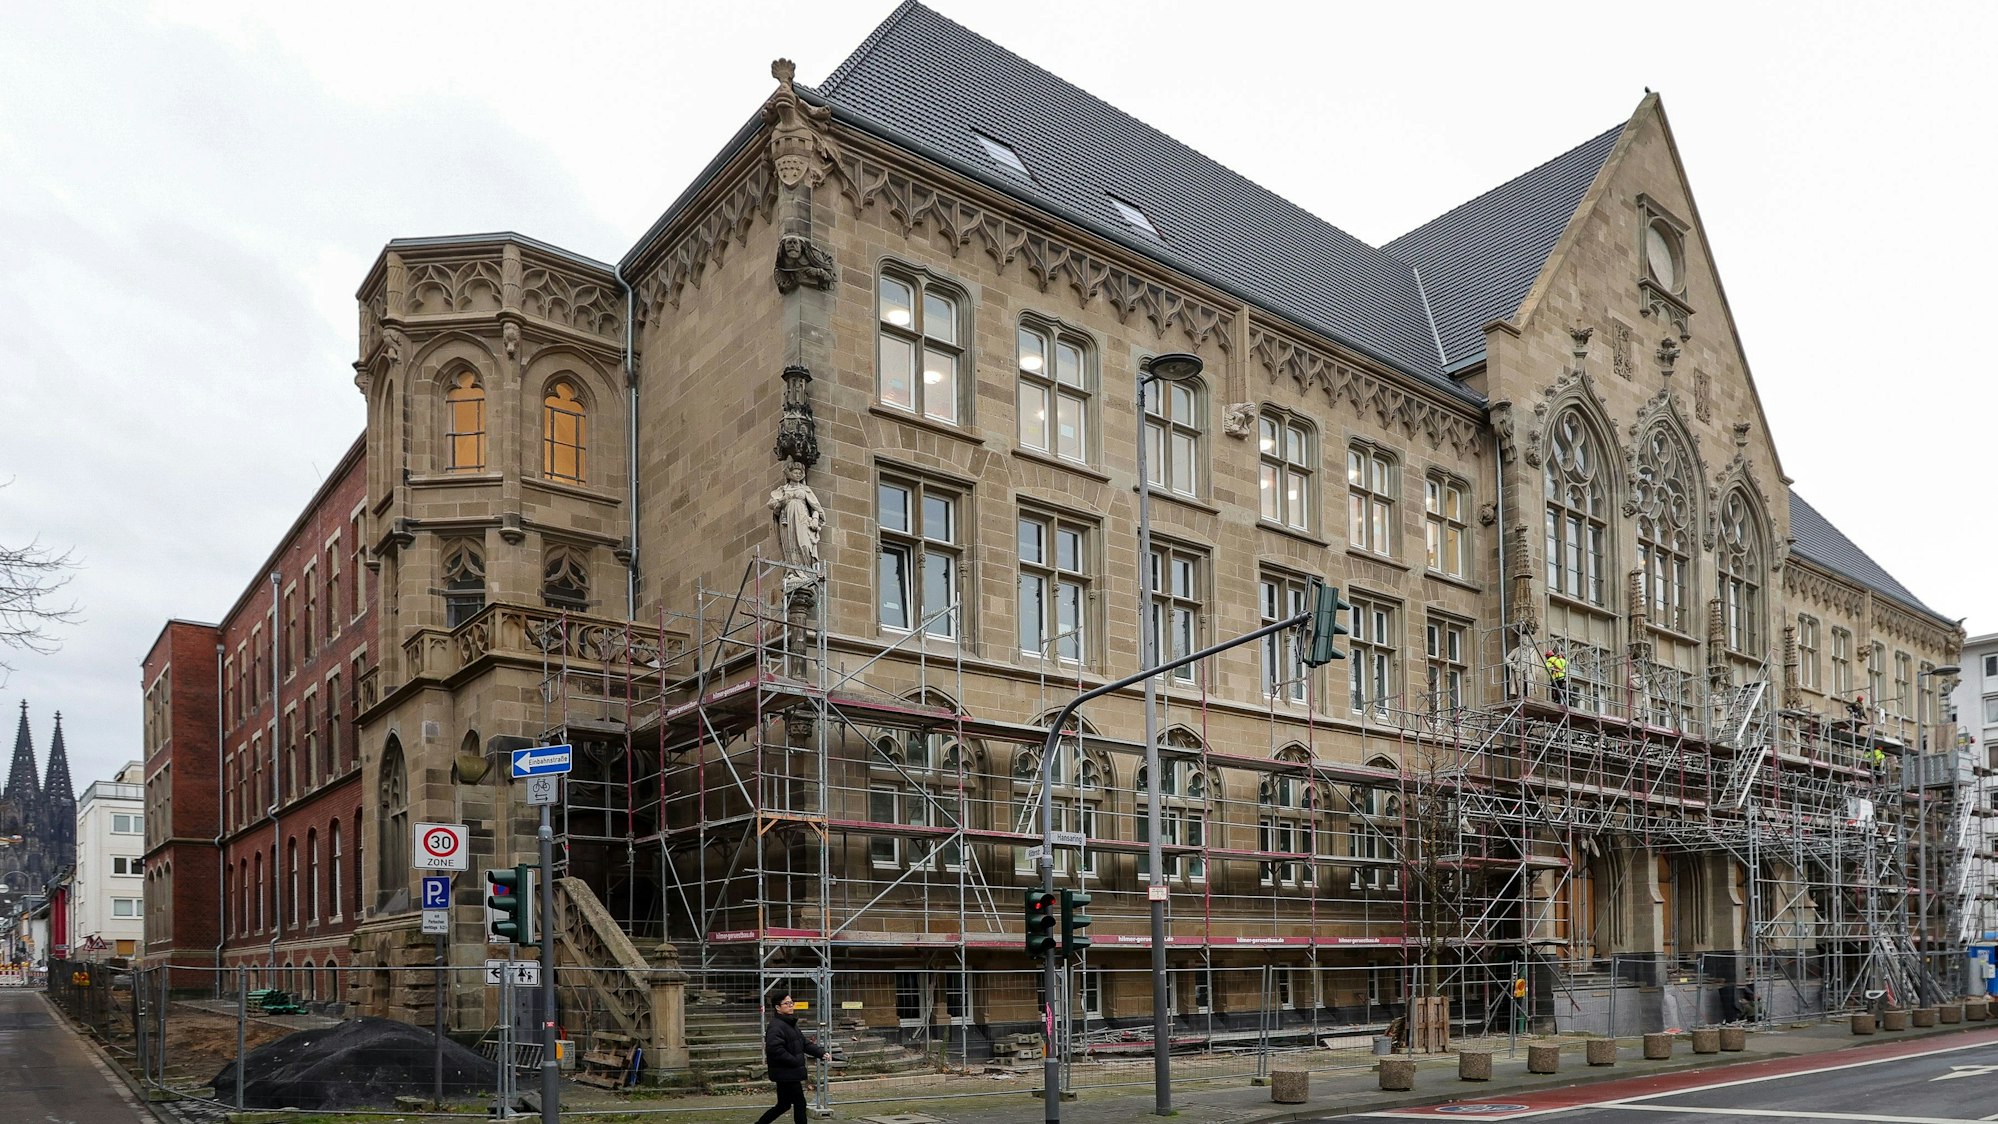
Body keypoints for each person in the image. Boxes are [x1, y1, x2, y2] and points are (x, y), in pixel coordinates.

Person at [755, 993, 825, 1124]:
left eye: (792, 1003)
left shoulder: (790, 1024)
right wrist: (794, 1061)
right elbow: (774, 1049)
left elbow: (804, 1043)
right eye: (786, 1003)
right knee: (799, 1103)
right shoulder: (776, 1026)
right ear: (777, 1007)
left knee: (784, 1105)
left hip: (788, 1072)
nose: (791, 1005)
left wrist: (821, 1053)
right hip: (786, 1072)